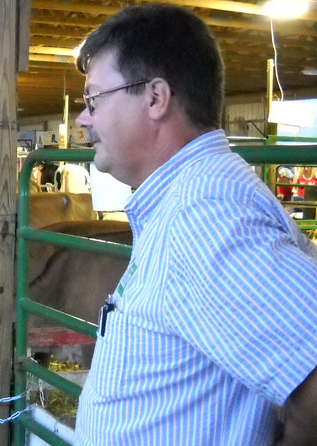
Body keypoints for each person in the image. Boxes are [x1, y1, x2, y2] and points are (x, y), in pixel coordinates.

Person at [73, 5, 317, 445]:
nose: (82, 119)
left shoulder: (203, 215)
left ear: (155, 98)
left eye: (93, 99)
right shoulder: (188, 200)